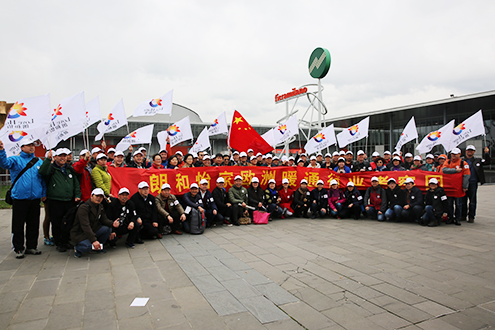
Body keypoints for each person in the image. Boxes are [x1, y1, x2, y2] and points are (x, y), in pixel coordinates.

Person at [0, 139, 46, 259]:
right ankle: (18, 247)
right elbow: (4, 163)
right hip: (20, 198)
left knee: (33, 224)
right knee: (18, 224)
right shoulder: (15, 160)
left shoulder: (38, 162)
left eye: (33, 145)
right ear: (22, 147)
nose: (32, 147)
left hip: (35, 198)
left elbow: (42, 179)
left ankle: (32, 246)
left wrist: (43, 193)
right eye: (29, 145)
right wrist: (1, 151)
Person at [39, 148, 81, 252]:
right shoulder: (52, 168)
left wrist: (77, 194)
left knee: (68, 221)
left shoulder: (69, 169)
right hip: (55, 200)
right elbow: (42, 172)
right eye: (60, 156)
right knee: (56, 222)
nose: (63, 158)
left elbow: (75, 183)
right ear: (56, 157)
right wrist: (47, 160)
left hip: (68, 200)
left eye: (64, 156)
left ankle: (66, 241)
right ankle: (59, 242)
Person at [71, 188, 117, 258]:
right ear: (91, 196)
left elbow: (104, 219)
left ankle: (97, 247)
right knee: (88, 247)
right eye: (97, 196)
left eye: (101, 197)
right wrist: (94, 240)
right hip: (80, 233)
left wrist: (112, 223)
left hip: (93, 229)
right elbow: (85, 226)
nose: (99, 198)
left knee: (107, 229)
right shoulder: (83, 208)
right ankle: (78, 248)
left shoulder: (100, 206)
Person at [462, 145, 490, 222]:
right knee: (463, 200)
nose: (470, 151)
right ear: (466, 151)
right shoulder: (462, 160)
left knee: (472, 201)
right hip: (464, 183)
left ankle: (471, 216)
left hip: (473, 182)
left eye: (471, 150)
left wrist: (486, 153)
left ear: (474, 152)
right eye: (468, 150)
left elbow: (487, 162)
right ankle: (463, 215)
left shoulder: (478, 160)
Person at [441, 148, 470, 224]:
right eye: (452, 154)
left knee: (458, 204)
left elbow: (466, 175)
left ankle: (458, 218)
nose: (453, 155)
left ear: (459, 154)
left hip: (458, 187)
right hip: (449, 187)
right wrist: (455, 170)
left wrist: (465, 186)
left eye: (455, 154)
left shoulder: (463, 163)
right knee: (449, 204)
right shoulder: (448, 161)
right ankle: (450, 217)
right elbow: (444, 170)